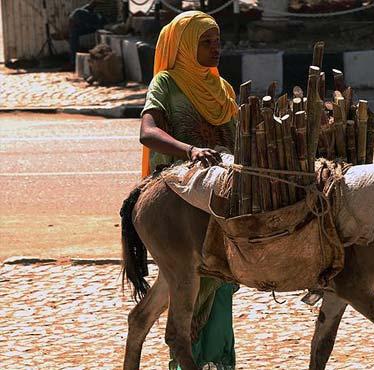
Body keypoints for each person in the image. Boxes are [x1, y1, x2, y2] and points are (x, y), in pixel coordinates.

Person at [139, 11, 239, 370]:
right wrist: (191, 150)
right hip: (182, 190)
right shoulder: (165, 83)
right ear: (183, 46)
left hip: (224, 190)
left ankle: (218, 362)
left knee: (225, 280)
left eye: (217, 42)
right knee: (189, 281)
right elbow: (147, 132)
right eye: (206, 43)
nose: (216, 49)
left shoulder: (224, 89)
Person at [68, 0, 107, 65]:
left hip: (98, 21)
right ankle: (74, 61)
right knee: (73, 34)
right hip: (88, 21)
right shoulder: (82, 14)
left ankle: (74, 61)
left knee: (78, 14)